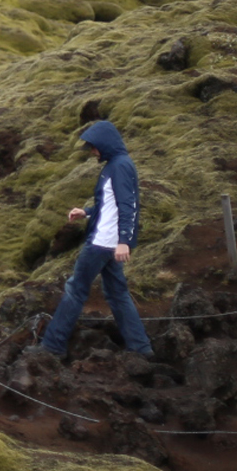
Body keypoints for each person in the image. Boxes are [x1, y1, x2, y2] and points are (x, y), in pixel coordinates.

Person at [38, 120, 152, 358]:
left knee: (75, 289)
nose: (92, 151)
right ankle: (141, 349)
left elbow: (127, 206)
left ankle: (52, 347)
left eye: (94, 146)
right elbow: (108, 204)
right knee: (117, 294)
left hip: (102, 243)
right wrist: (87, 212)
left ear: (105, 144)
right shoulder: (116, 164)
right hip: (109, 244)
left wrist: (123, 241)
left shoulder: (119, 167)